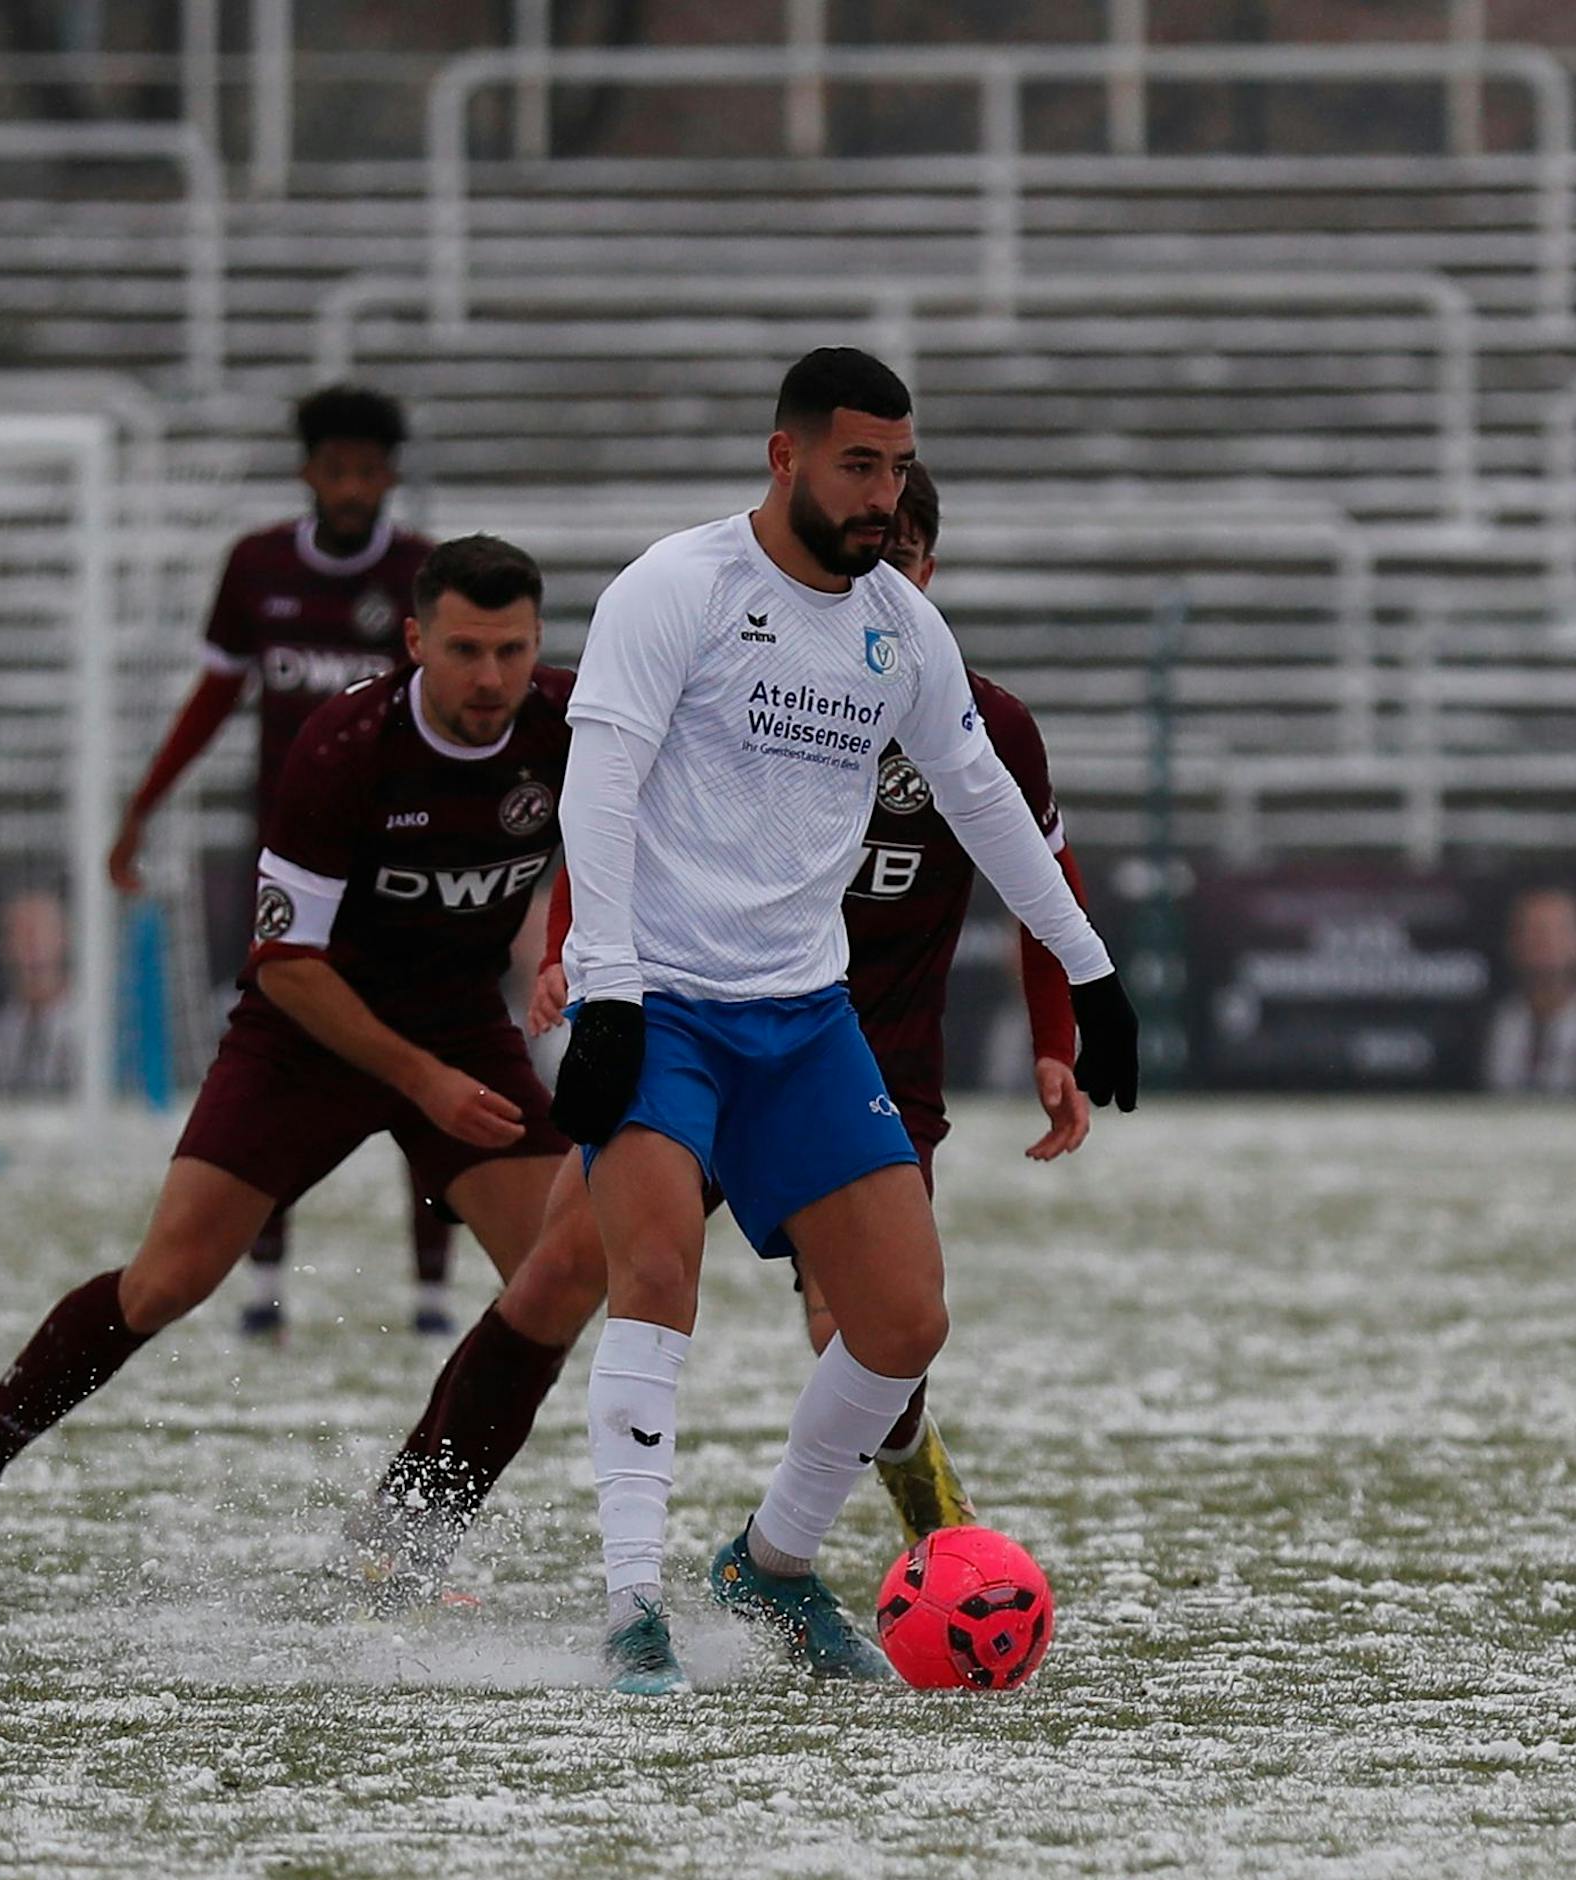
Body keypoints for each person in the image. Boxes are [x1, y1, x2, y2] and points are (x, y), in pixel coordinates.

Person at [361, 459, 1095, 1603]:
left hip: (861, 1053)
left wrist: (1057, 1032)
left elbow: (1038, 869)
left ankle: (926, 1554)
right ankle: (403, 1536)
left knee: (872, 1317)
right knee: (561, 1274)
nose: (864, 579)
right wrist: (572, 948)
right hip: (690, 1015)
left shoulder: (976, 720)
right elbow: (622, 801)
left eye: (895, 558)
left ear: (923, 573)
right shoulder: (747, 669)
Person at [551, 347, 1138, 1693]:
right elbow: (599, 790)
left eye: (896, 466)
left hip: (806, 1017)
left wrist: (1091, 978)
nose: (883, 495)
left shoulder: (902, 626)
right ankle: (633, 1607)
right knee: (650, 1276)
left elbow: (987, 802)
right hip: (666, 1005)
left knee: (904, 1320)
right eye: (859, 465)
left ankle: (771, 1562)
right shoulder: (678, 588)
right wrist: (608, 986)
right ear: (788, 457)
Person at [0, 536, 593, 1589]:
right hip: (305, 1032)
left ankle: (399, 1535)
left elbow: (627, 837)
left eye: (511, 651)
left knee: (558, 1279)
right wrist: (421, 1078)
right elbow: (286, 963)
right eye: (466, 651)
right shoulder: (343, 743)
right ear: (413, 642)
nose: (490, 678)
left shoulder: (569, 724)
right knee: (165, 1280)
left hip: (459, 1027)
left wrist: (567, 949)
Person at [107, 383, 457, 1340]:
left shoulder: (427, 575)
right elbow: (214, 699)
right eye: (335, 468)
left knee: (416, 1059)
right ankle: (263, 1282)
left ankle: (431, 1292)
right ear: (309, 471)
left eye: (368, 470)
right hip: (290, 868)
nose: (352, 486)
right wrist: (142, 807)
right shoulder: (255, 566)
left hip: (402, 867)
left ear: (389, 476)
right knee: (276, 1056)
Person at [1482, 885, 1576, 1095]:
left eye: (1558, 930)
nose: (1546, 941)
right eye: (1534, 929)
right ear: (1513, 941)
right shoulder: (1494, 1023)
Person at [0, 889, 75, 1094]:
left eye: (41, 930)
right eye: (19, 932)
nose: (31, 943)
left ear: (64, 937)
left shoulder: (92, 1022)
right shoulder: (6, 1024)